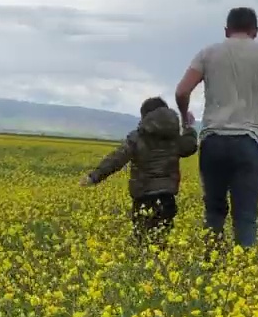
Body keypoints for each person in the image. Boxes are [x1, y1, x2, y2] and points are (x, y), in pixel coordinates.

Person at [175, 6, 258, 247]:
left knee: (214, 212)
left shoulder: (207, 53)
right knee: (246, 216)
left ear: (227, 30)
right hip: (248, 143)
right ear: (255, 31)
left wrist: (184, 113)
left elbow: (182, 91)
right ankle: (243, 272)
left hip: (213, 141)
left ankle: (210, 267)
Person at [81, 97, 198, 240]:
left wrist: (94, 176)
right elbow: (190, 146)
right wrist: (188, 127)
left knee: (142, 241)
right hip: (167, 197)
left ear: (146, 116)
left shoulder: (137, 137)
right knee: (162, 244)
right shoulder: (174, 138)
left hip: (143, 197)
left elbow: (116, 159)